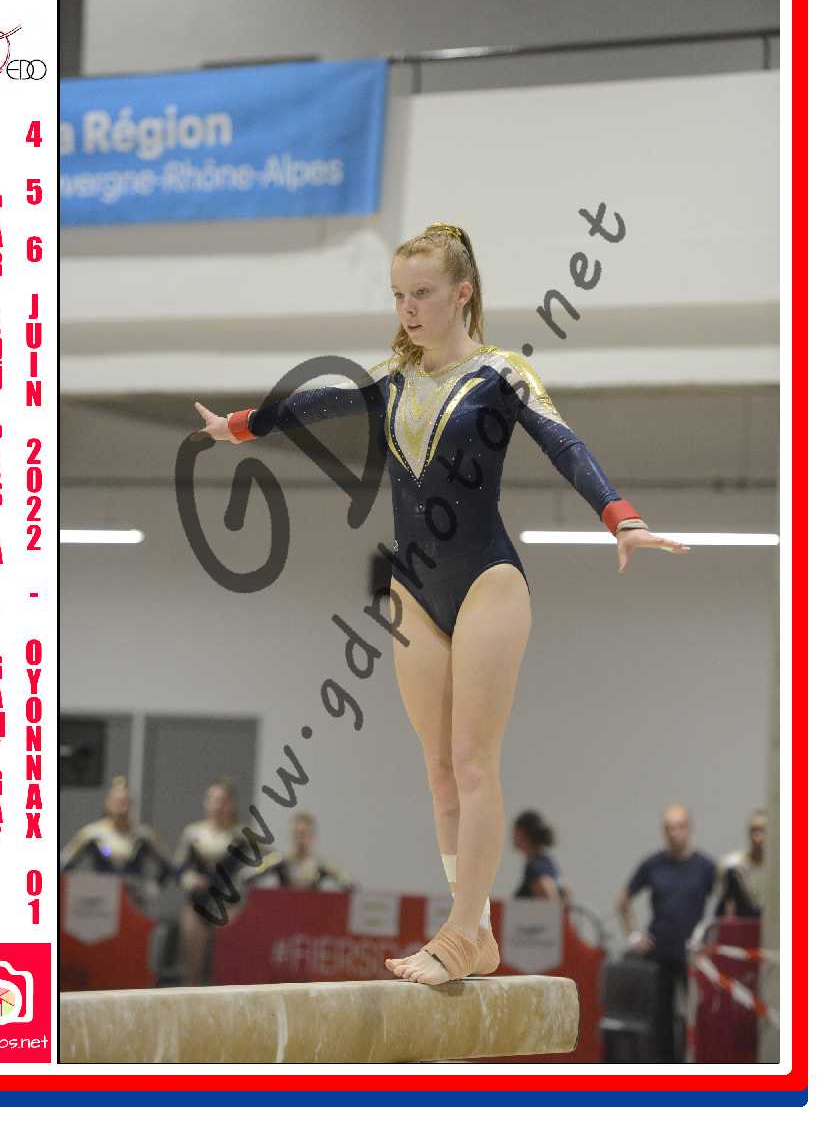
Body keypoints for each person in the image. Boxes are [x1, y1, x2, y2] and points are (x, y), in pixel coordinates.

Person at [195, 221, 689, 985]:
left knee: (473, 761)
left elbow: (564, 443)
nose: (408, 309)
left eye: (422, 293)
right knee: (438, 771)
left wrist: (620, 516)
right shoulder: (391, 378)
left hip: (489, 581)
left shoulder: (502, 374)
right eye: (398, 295)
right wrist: (240, 426)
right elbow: (315, 403)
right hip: (414, 592)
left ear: (462, 293)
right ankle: (476, 928)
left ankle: (460, 933)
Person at [616, 804, 716, 1061]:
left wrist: (714, 941)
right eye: (669, 828)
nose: (675, 833)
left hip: (693, 955)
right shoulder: (653, 865)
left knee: (698, 1016)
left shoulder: (705, 867)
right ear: (663, 831)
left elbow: (724, 904)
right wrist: (634, 936)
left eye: (680, 827)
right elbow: (623, 901)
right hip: (659, 952)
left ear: (689, 828)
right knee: (661, 1019)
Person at [173, 778, 253, 985]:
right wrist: (190, 880)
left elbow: (260, 866)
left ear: (232, 805)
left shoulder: (242, 836)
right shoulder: (192, 833)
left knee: (225, 969)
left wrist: (242, 885)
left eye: (224, 801)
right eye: (214, 800)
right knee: (192, 968)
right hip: (197, 905)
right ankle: (190, 994)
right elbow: (179, 869)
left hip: (229, 907)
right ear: (206, 803)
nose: (219, 806)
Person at [60, 774, 172, 887]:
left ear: (131, 804)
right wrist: (80, 887)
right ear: (108, 803)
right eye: (117, 802)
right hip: (102, 892)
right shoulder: (92, 834)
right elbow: (64, 863)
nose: (121, 807)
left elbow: (167, 866)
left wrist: (152, 888)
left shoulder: (142, 835)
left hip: (132, 893)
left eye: (125, 802)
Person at [247, 812, 352, 890]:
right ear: (290, 835)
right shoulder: (279, 860)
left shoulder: (321, 865)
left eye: (304, 834)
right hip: (284, 909)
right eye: (296, 833)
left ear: (312, 836)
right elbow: (247, 876)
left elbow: (348, 883)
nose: (299, 838)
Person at [715, 808, 768, 918]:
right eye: (754, 830)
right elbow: (724, 911)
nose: (758, 836)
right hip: (742, 924)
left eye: (762, 830)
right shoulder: (732, 866)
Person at [512, 810, 569, 903]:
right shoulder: (547, 861)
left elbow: (545, 887)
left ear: (522, 833)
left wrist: (552, 908)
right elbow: (566, 891)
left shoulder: (536, 864)